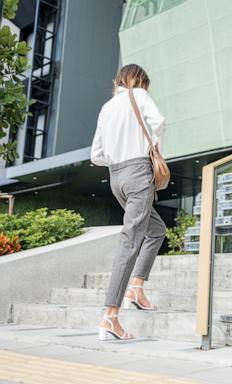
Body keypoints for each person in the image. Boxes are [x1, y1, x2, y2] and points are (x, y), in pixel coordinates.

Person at [90, 64, 167, 340]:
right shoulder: (139, 96)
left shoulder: (107, 107)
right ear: (138, 81)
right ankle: (110, 316)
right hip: (137, 173)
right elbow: (159, 121)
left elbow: (96, 154)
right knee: (131, 239)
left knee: (155, 229)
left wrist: (118, 156)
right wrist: (153, 147)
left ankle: (136, 287)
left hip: (116, 177)